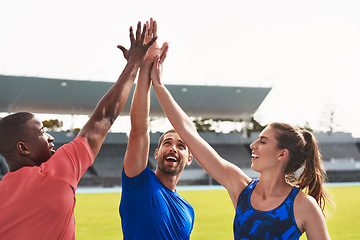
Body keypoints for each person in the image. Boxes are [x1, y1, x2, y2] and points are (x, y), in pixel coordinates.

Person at [150, 49, 334, 239]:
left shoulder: (304, 206)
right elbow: (190, 135)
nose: (253, 145)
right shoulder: (241, 188)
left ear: (282, 154)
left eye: (262, 141)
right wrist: (158, 85)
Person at [0, 21, 156, 239]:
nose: (51, 137)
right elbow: (103, 118)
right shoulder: (56, 172)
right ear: (23, 148)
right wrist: (134, 63)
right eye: (42, 132)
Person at [119, 18, 195, 240]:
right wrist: (146, 68)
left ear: (189, 158)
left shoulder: (188, 210)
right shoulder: (138, 183)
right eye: (167, 143)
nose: (173, 148)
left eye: (181, 145)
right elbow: (139, 130)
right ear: (156, 152)